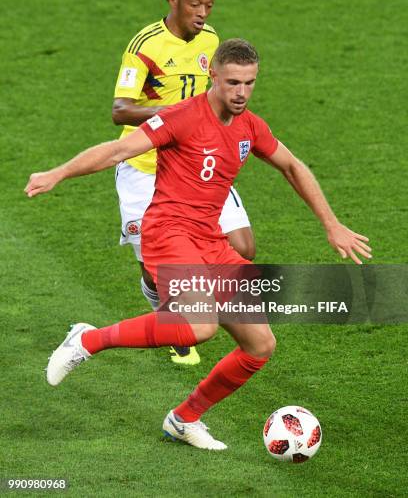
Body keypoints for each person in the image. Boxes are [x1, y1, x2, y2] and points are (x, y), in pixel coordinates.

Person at [25, 39, 371, 451]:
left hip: (209, 239)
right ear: (213, 76)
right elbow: (118, 150)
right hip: (168, 234)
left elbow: (293, 166)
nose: (241, 92)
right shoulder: (182, 117)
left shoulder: (250, 127)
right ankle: (86, 340)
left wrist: (332, 225)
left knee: (260, 346)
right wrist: (59, 173)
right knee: (198, 325)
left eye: (249, 83)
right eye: (232, 83)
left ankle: (184, 418)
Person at [112, 0, 255, 365]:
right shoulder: (145, 45)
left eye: (210, 2)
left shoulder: (212, 40)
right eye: (195, 2)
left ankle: (201, 308)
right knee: (153, 267)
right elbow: (120, 110)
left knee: (243, 247)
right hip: (145, 169)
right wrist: (177, 115)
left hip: (198, 165)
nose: (203, 10)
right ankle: (170, 309)